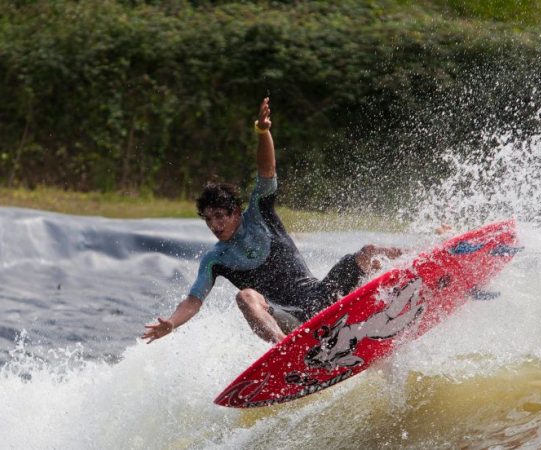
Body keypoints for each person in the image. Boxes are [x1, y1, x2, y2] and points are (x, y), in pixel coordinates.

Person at [142, 98, 402, 344]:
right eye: (208, 219)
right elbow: (193, 300)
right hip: (290, 320)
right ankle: (284, 348)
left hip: (323, 296)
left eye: (220, 216)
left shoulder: (259, 213)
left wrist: (262, 131)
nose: (214, 225)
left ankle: (424, 261)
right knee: (245, 296)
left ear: (235, 212)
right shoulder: (215, 259)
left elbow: (267, 171)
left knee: (369, 253)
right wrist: (172, 323)